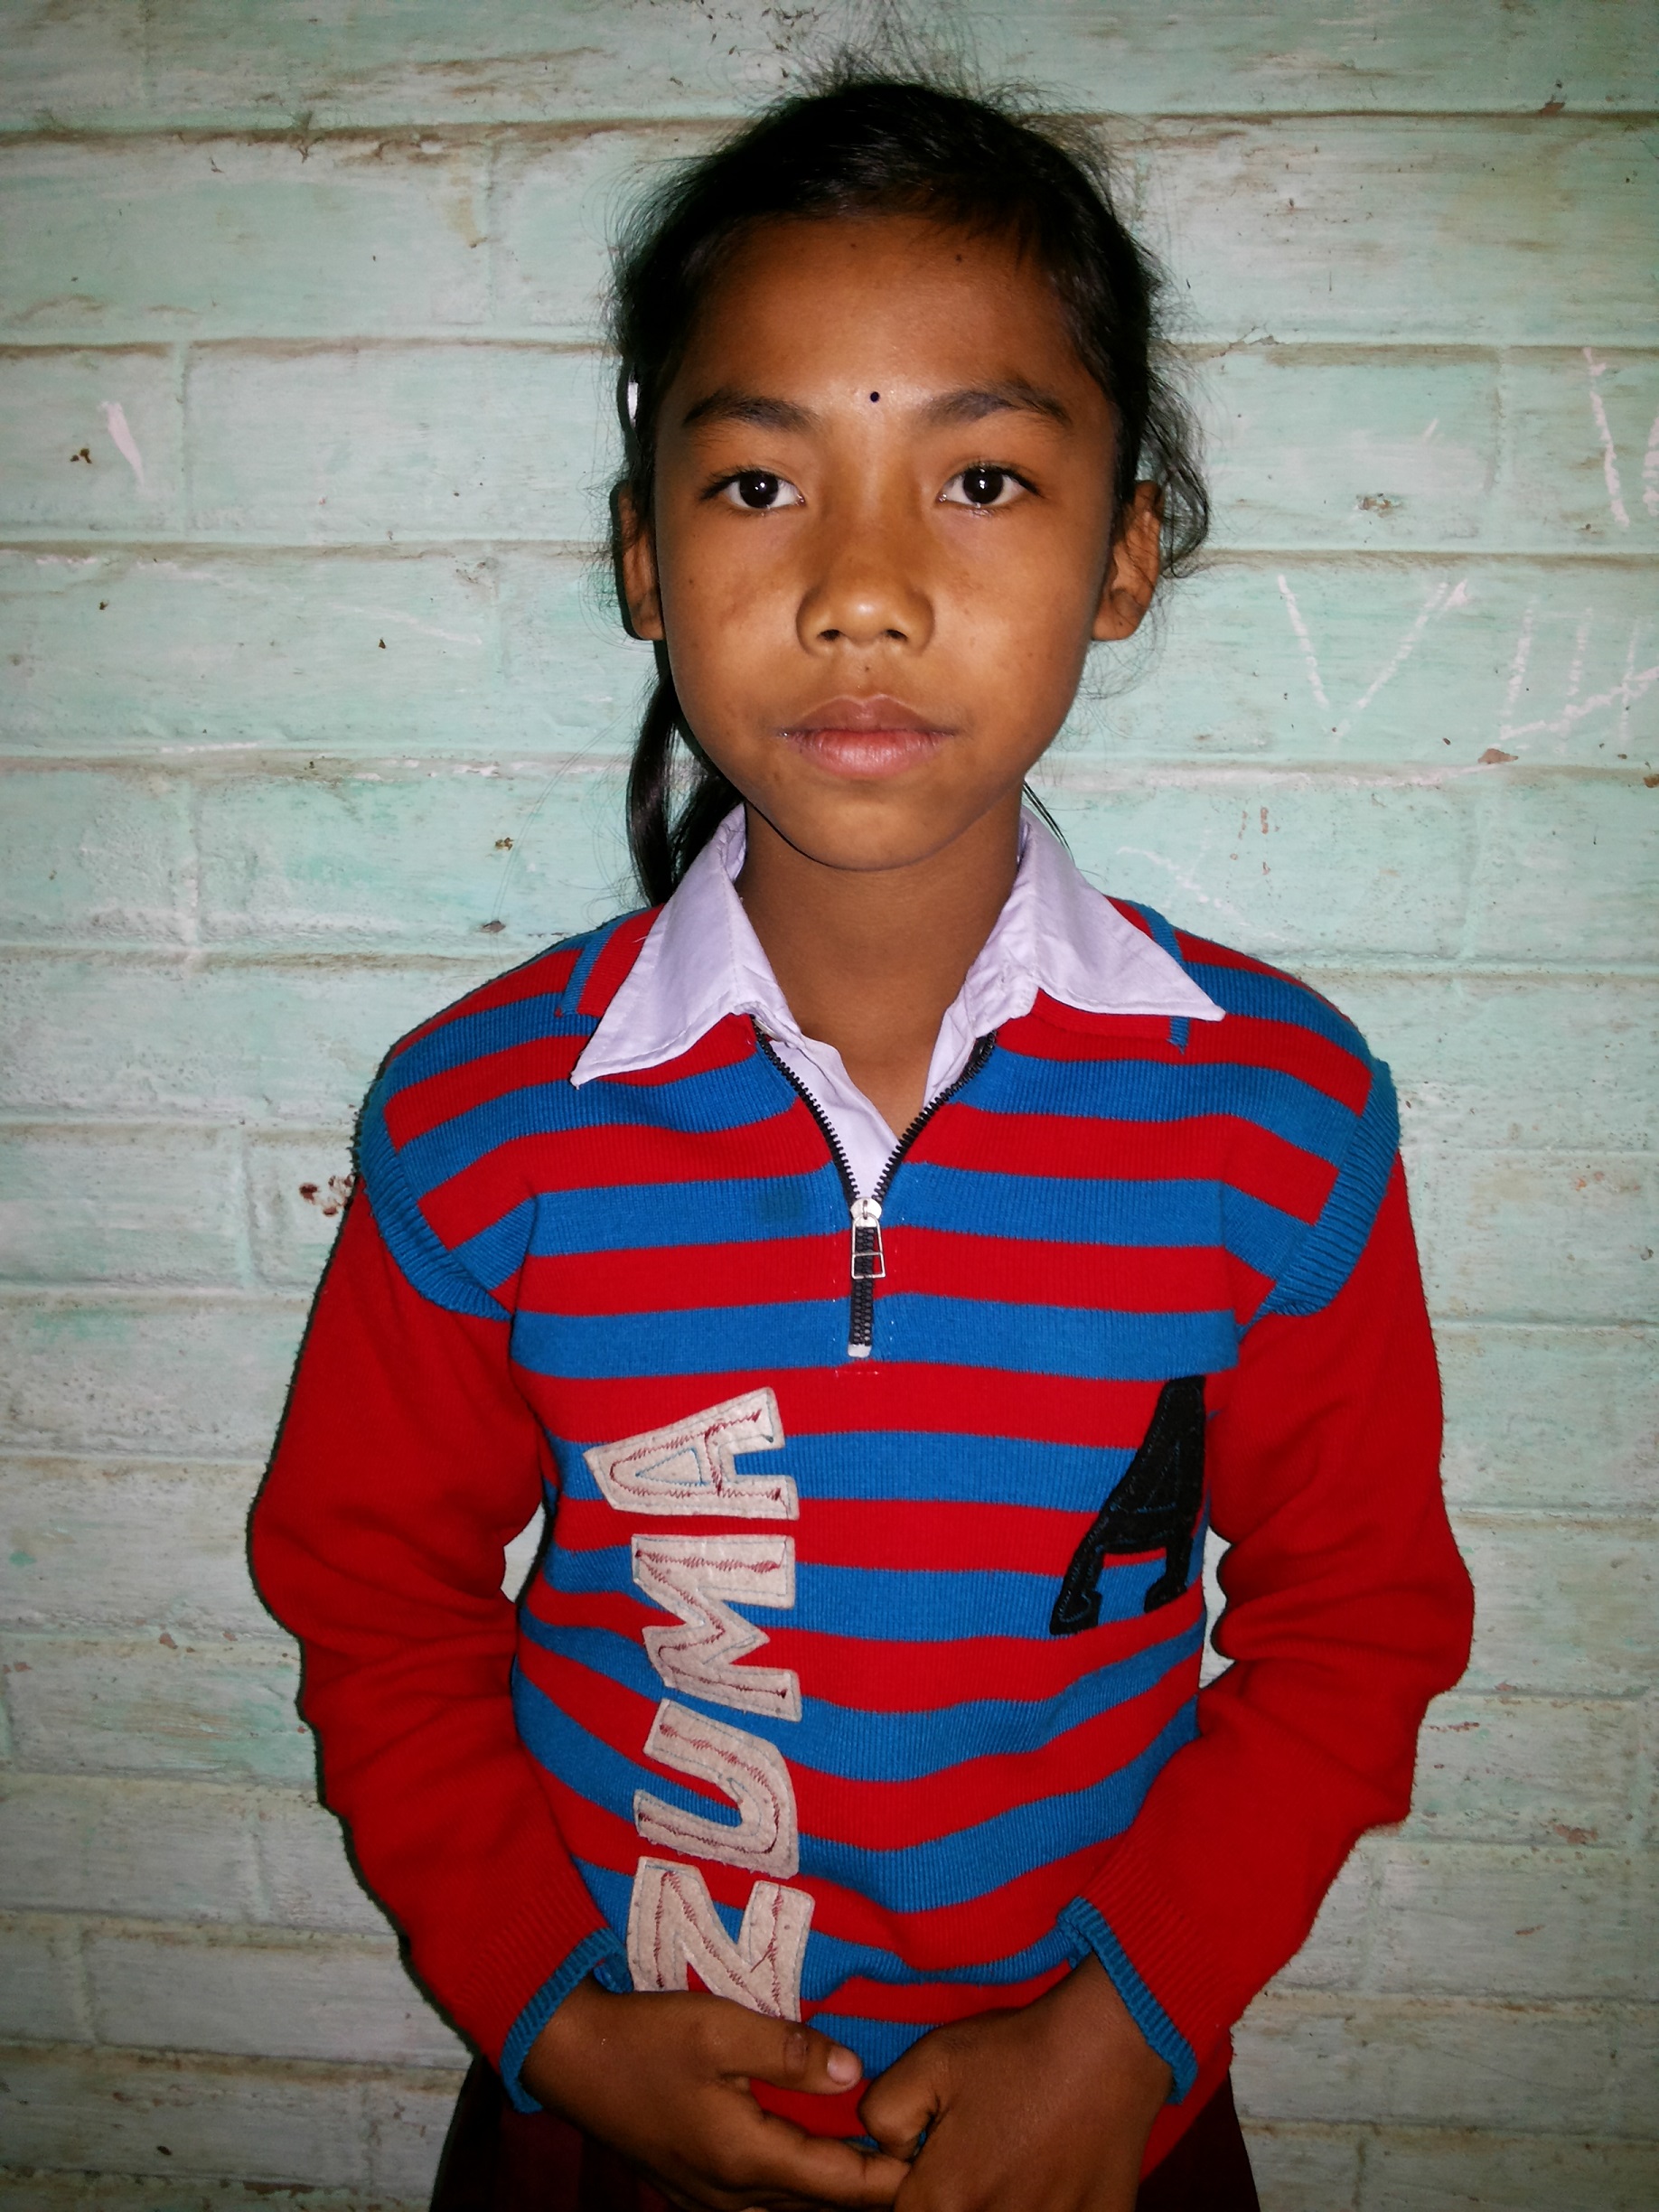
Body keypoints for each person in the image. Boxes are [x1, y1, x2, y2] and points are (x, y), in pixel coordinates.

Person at [251, 67, 1474, 2212]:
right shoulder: (483, 1117)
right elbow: (372, 1593)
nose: (863, 590)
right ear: (644, 557)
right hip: (606, 2124)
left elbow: (1358, 1620)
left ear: (1125, 556)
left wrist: (1125, 2037)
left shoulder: (1274, 1118)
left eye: (982, 477)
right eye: (757, 484)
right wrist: (559, 2025)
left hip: (1093, 2122)